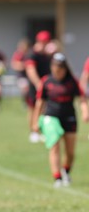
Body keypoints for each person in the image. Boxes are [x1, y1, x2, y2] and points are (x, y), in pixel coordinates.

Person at [31, 53, 89, 188]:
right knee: (54, 145)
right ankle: (57, 177)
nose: (58, 72)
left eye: (60, 69)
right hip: (50, 116)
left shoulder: (72, 82)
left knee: (70, 152)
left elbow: (81, 98)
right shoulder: (46, 81)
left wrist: (85, 111)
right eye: (55, 69)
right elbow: (40, 103)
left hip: (69, 116)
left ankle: (66, 171)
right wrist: (35, 122)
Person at [25, 30, 52, 143]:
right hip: (36, 86)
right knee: (33, 108)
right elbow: (30, 70)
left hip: (45, 86)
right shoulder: (32, 54)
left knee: (43, 110)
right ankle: (33, 132)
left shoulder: (46, 55)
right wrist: (38, 84)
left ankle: (40, 130)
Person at [10, 38, 30, 106]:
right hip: (21, 77)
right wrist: (24, 65)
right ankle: (25, 102)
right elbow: (14, 64)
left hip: (29, 76)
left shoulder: (29, 54)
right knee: (25, 88)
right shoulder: (18, 54)